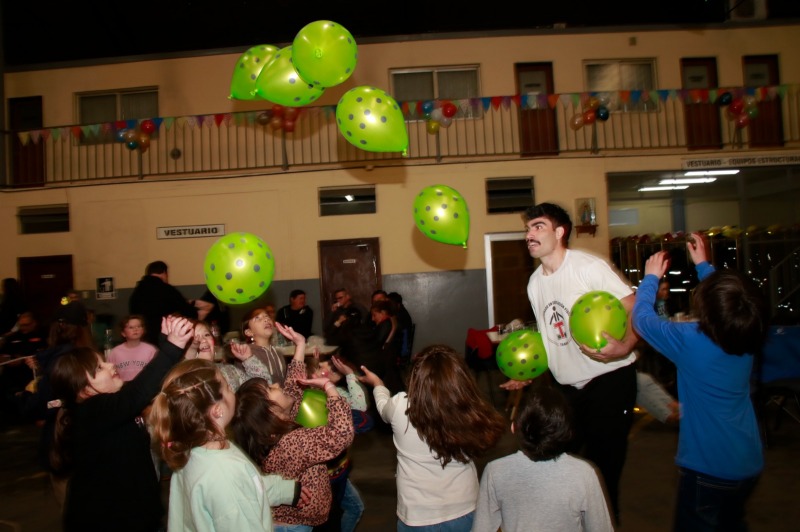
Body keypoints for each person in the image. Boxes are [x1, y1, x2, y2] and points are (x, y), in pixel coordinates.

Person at [501, 202, 639, 524]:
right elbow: (551, 337)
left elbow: (633, 306)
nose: (529, 235)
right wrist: (529, 375)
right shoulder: (536, 283)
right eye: (528, 229)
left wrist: (627, 345)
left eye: (537, 227)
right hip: (568, 389)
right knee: (563, 465)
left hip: (611, 380)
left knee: (603, 474)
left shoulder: (587, 267)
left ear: (559, 232)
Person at [633, 232, 768, 531]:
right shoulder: (747, 334)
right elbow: (732, 302)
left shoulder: (690, 340)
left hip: (708, 469)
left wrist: (651, 278)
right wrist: (704, 264)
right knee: (732, 523)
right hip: (748, 462)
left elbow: (641, 320)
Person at [48, 315, 194, 532]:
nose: (109, 365)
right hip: (108, 520)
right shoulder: (91, 412)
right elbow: (137, 394)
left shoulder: (111, 404)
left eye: (104, 361)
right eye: (99, 368)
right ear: (85, 390)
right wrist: (172, 348)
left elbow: (145, 386)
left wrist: (164, 343)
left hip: (136, 514)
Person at [359, 344, 506, 531]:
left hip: (416, 516)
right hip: (465, 509)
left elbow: (382, 407)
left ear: (416, 378)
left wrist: (378, 384)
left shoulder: (400, 406)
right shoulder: (470, 409)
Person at [149, 358, 306, 532]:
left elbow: (247, 485)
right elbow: (235, 493)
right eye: (228, 387)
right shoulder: (224, 473)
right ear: (217, 410)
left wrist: (285, 490)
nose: (233, 391)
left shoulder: (192, 449)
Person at [233, 323, 354, 531]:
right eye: (271, 389)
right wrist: (330, 389)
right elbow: (340, 435)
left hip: (291, 519)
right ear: (271, 410)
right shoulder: (291, 441)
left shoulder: (273, 430)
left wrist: (299, 345)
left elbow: (292, 388)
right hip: (296, 526)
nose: (277, 385)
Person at [474, 385, 614, 532]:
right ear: (568, 431)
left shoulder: (495, 471)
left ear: (514, 428)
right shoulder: (584, 474)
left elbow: (482, 528)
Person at [307, 354, 370, 532]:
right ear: (311, 376)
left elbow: (360, 406)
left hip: (339, 470)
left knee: (354, 508)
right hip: (325, 476)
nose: (328, 369)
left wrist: (349, 374)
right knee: (328, 518)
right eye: (321, 367)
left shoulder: (337, 393)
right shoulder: (310, 400)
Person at [185, 319, 277, 392]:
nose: (203, 340)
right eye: (195, 338)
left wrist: (248, 359)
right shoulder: (186, 378)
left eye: (206, 335)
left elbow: (264, 387)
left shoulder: (229, 370)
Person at [129, 260, 197, 344]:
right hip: (162, 338)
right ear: (165, 272)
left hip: (141, 339)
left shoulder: (137, 292)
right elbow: (188, 311)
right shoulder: (167, 290)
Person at [0, 312, 46, 426]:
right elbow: (2, 357)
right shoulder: (12, 338)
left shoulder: (42, 335)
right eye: (22, 325)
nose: (24, 328)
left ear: (34, 323)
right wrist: (10, 360)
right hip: (14, 378)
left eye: (27, 325)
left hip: (35, 376)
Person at [238, 307, 287, 385]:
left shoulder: (278, 353)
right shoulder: (246, 354)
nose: (266, 319)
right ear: (249, 332)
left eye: (266, 316)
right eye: (257, 318)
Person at [106, 315, 157, 382]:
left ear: (143, 330)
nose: (136, 329)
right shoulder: (115, 352)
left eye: (139, 326)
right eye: (131, 327)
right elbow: (109, 374)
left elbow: (156, 372)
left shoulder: (151, 350)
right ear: (123, 333)